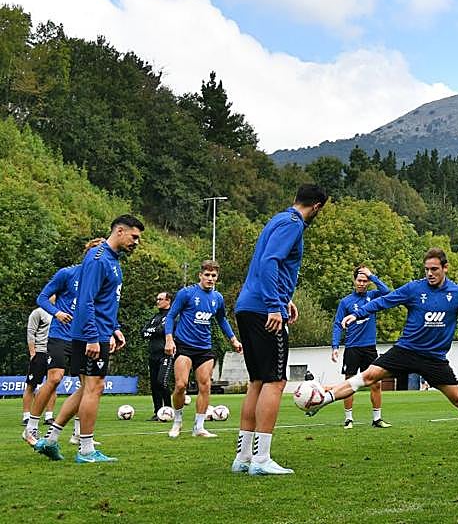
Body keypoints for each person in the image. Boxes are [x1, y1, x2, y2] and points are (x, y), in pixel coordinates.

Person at [306, 247, 458, 451]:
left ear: (445, 268)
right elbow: (384, 301)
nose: (429, 273)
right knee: (368, 376)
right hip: (406, 351)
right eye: (426, 269)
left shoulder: (457, 293)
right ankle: (322, 400)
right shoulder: (414, 289)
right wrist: (357, 314)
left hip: (434, 359)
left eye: (434, 269)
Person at [232, 184, 327, 476]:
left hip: (248, 306)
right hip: (264, 309)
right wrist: (275, 305)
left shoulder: (277, 219)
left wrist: (285, 299)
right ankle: (261, 460)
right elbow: (270, 262)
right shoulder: (294, 224)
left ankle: (243, 457)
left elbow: (268, 264)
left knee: (257, 381)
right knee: (275, 382)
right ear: (317, 207)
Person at [34, 215, 143, 464]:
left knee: (86, 388)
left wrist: (114, 328)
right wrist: (93, 337)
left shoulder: (112, 259)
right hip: (91, 335)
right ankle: (85, 450)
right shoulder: (98, 258)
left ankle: (50, 440)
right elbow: (85, 301)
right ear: (120, 231)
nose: (136, 242)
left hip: (101, 331)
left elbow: (105, 301)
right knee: (95, 387)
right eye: (134, 237)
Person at [24, 239, 103, 446]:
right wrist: (56, 312)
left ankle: (78, 434)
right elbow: (42, 298)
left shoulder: (102, 279)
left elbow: (103, 309)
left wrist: (113, 330)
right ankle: (31, 427)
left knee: (88, 386)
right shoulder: (67, 274)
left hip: (85, 338)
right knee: (55, 378)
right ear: (88, 254)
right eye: (97, 253)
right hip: (60, 335)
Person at [164, 260, 242, 439]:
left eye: (213, 275)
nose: (210, 278)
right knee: (181, 385)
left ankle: (199, 427)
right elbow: (171, 316)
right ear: (200, 275)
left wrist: (233, 340)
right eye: (207, 275)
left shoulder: (218, 298)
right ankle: (177, 421)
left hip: (204, 348)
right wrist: (169, 339)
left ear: (217, 277)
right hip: (184, 345)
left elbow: (222, 320)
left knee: (205, 386)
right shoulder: (187, 293)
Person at [331, 265, 393, 429]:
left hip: (369, 348)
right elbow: (337, 324)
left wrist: (372, 276)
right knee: (349, 384)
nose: (362, 283)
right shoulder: (346, 302)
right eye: (359, 280)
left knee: (376, 383)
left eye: (365, 281)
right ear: (354, 280)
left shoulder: (373, 297)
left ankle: (377, 419)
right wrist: (335, 346)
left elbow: (387, 292)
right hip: (352, 348)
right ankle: (348, 419)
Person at [142, 291, 173, 419]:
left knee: (162, 382)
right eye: (157, 299)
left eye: (160, 299)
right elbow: (143, 332)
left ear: (168, 301)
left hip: (165, 354)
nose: (158, 301)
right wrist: (154, 330)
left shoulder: (171, 316)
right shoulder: (155, 317)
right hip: (153, 354)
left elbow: (162, 330)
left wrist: (153, 331)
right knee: (154, 384)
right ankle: (157, 412)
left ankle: (168, 409)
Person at [22, 305, 53, 428]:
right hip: (39, 352)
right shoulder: (38, 312)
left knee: (52, 384)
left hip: (54, 352)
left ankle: (49, 416)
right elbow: (30, 332)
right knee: (31, 385)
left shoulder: (60, 311)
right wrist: (32, 352)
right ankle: (26, 416)